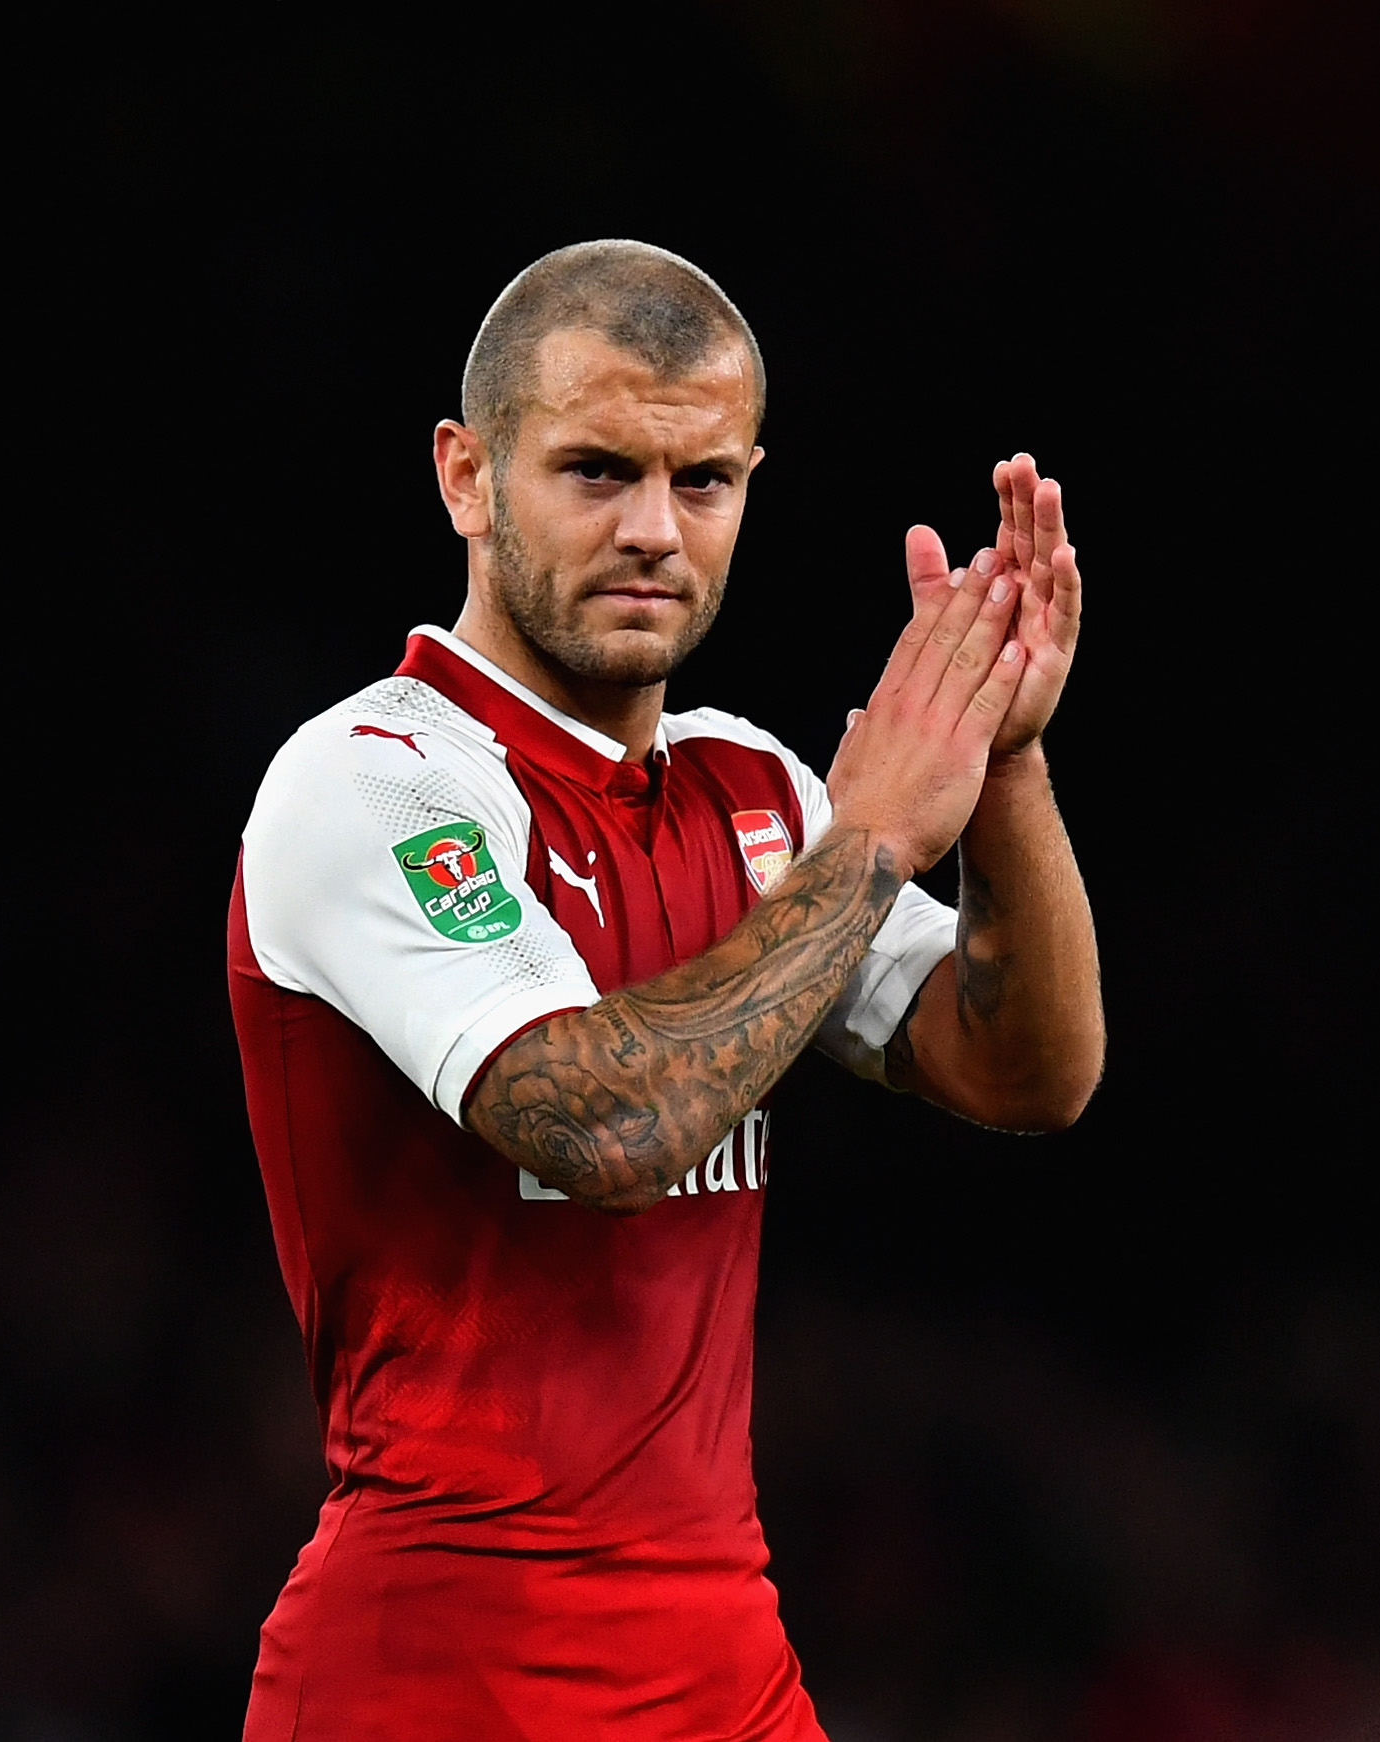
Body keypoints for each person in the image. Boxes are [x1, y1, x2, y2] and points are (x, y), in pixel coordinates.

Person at [226, 239, 1103, 1739]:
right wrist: (881, 836)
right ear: (464, 474)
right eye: (594, 471)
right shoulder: (369, 781)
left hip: (722, 1673)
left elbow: (1026, 1069)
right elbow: (610, 1127)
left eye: (700, 481)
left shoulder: (748, 788)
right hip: (439, 1674)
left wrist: (998, 758)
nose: (651, 529)